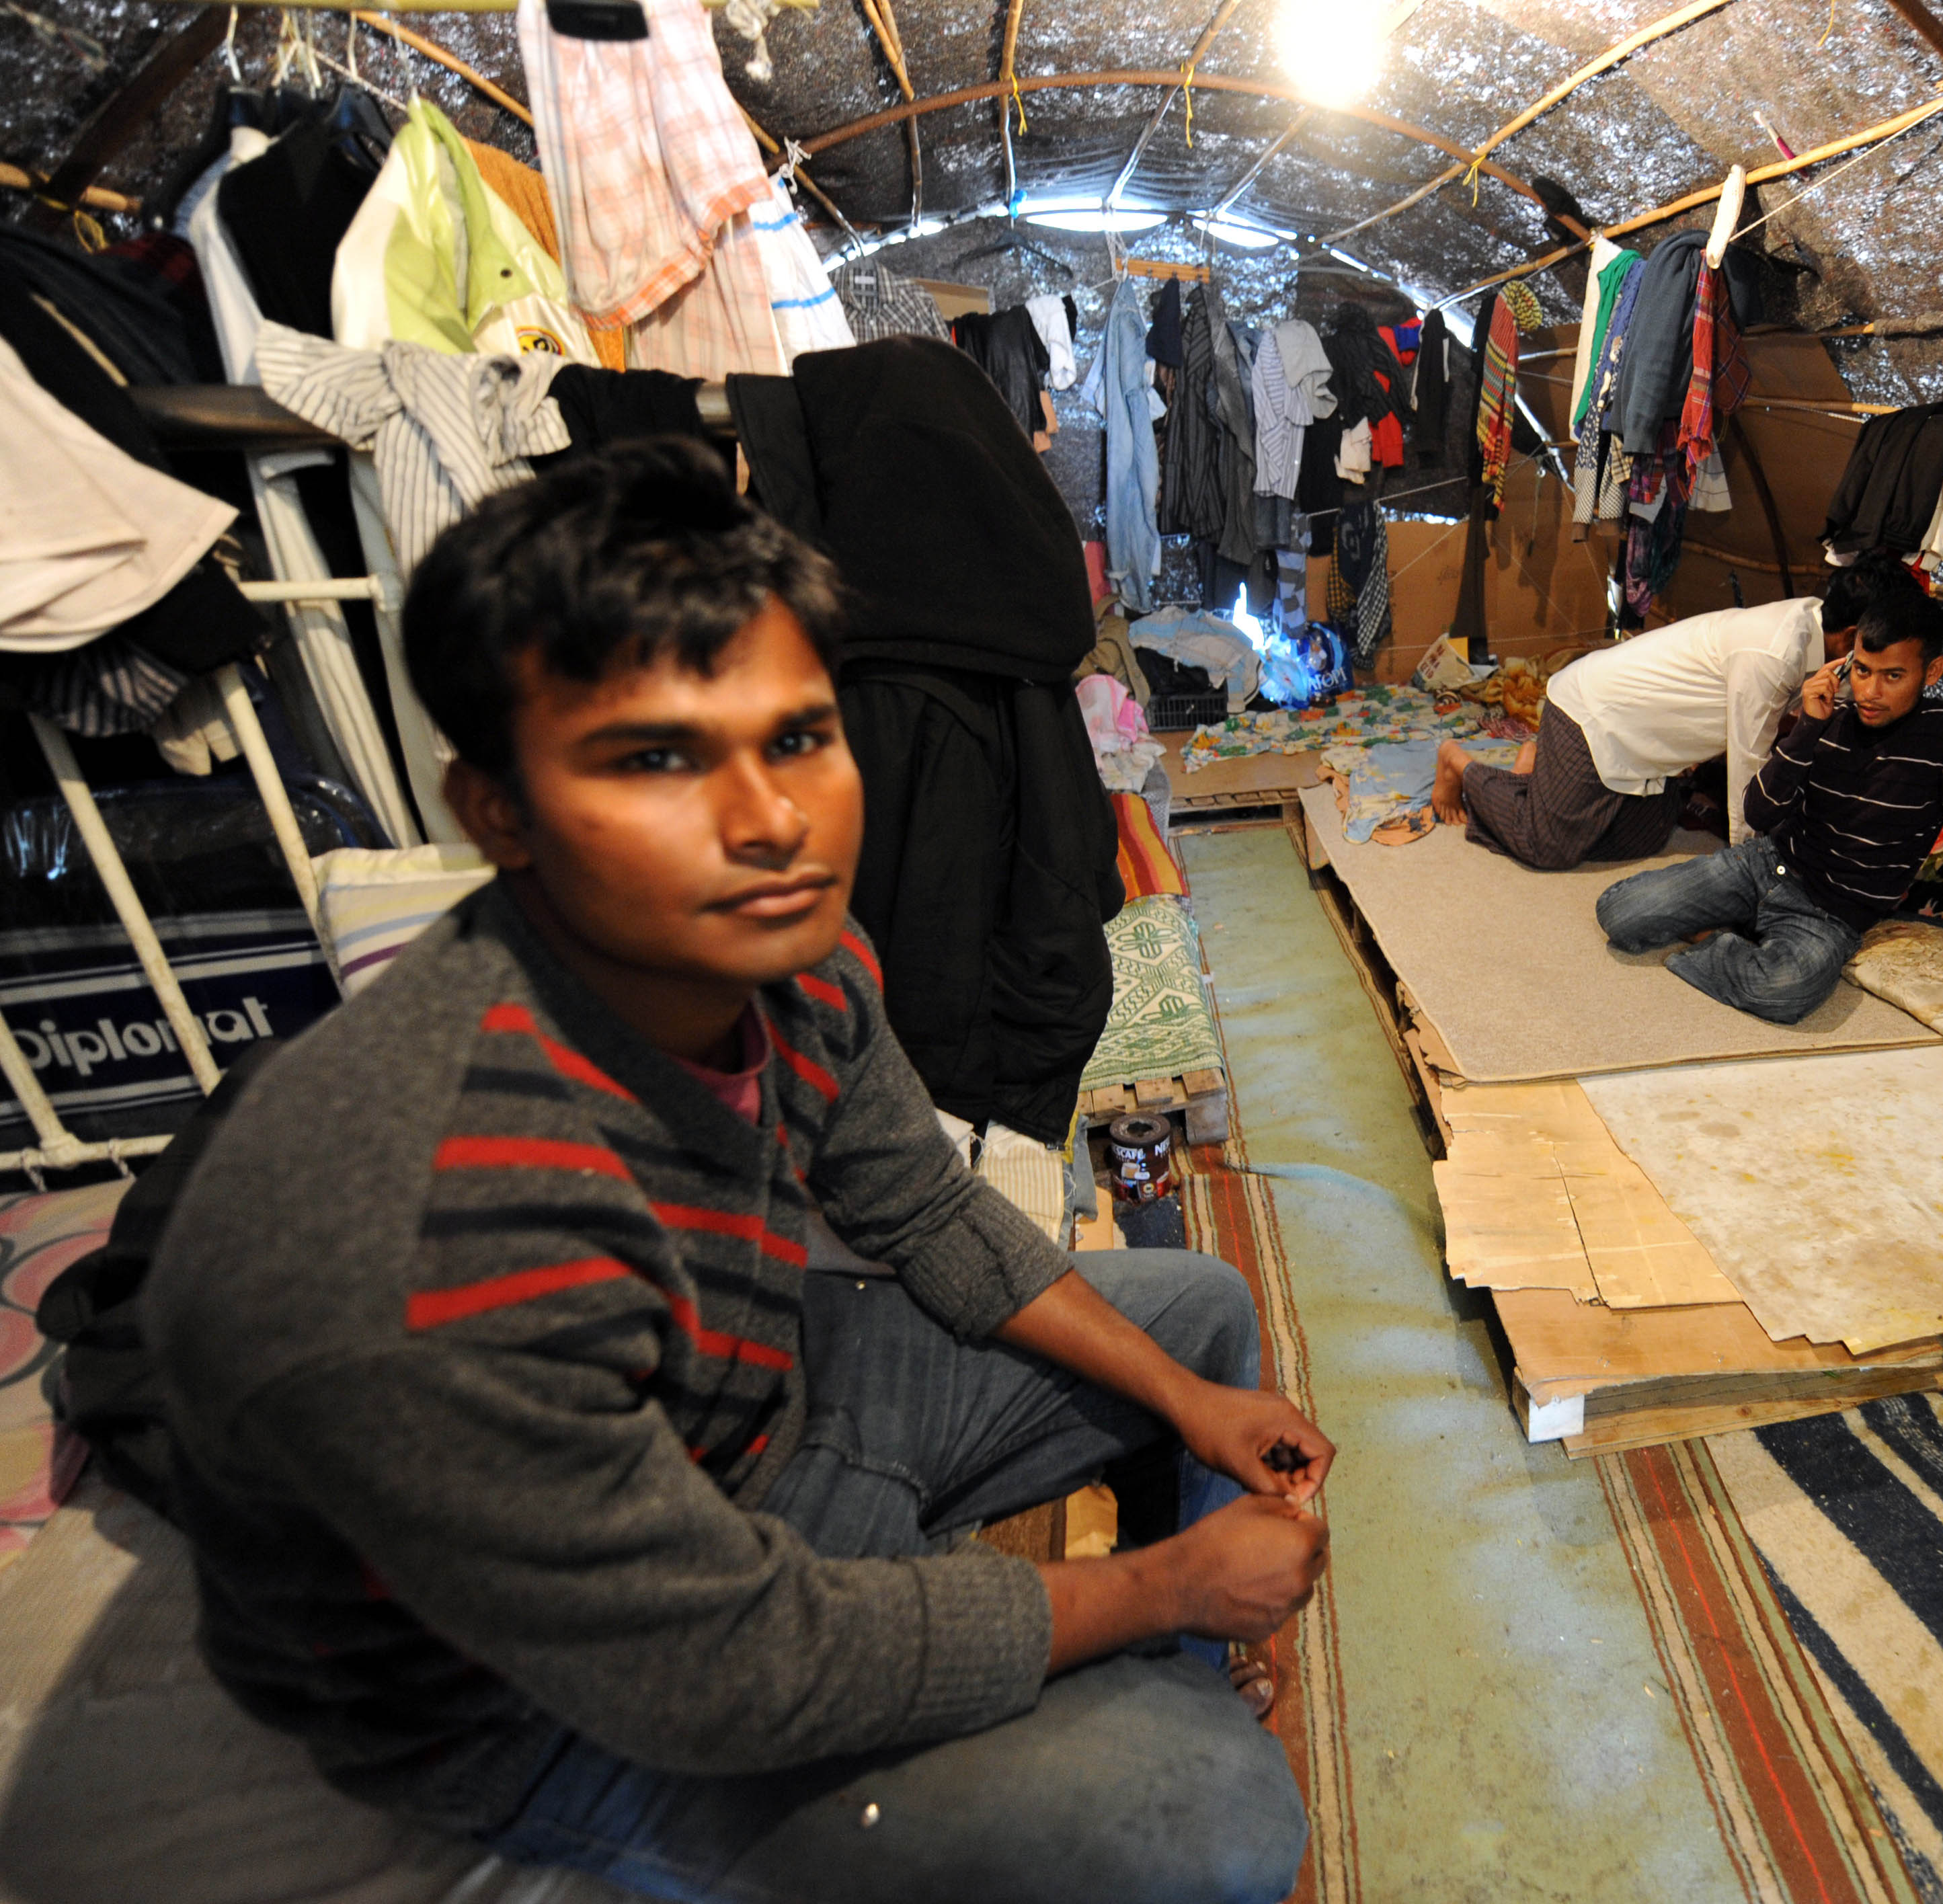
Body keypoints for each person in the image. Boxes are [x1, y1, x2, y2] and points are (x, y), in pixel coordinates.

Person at [136, 441, 1329, 1904]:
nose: (771, 820)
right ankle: (1148, 1652)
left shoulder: (795, 962)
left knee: (1195, 1323)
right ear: (494, 810)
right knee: (1216, 1821)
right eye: (654, 759)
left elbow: (924, 1206)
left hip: (768, 1426)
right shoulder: (423, 1222)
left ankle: (1162, 1649)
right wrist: (1151, 1587)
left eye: (797, 737)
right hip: (547, 1704)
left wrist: (1190, 1410)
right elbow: (721, 1668)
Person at [1593, 583, 1943, 1024]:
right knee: (1621, 913)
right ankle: (1738, 930)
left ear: (1932, 672)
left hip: (1832, 913)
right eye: (1862, 670)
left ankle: (1718, 939)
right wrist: (1807, 729)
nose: (1870, 692)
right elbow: (1759, 814)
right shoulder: (1828, 716)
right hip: (1767, 864)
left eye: (1893, 676)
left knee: (1786, 989)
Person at [1429, 568, 1898, 871]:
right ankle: (1462, 767)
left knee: (1648, 837)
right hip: (1590, 716)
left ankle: (1535, 781)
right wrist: (1748, 870)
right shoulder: (1774, 653)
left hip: (1647, 751)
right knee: (1548, 848)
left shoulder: (1818, 629)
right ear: (1851, 636)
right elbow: (1748, 772)